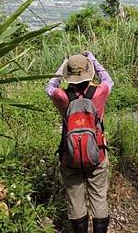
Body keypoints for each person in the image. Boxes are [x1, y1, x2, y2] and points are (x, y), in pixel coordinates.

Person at [46, 52, 113, 233]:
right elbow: (108, 80)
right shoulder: (99, 92)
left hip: (70, 155)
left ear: (68, 75)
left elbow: (50, 86)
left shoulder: (61, 96)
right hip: (97, 153)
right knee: (99, 197)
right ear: (88, 73)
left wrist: (64, 63)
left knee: (75, 199)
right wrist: (93, 60)